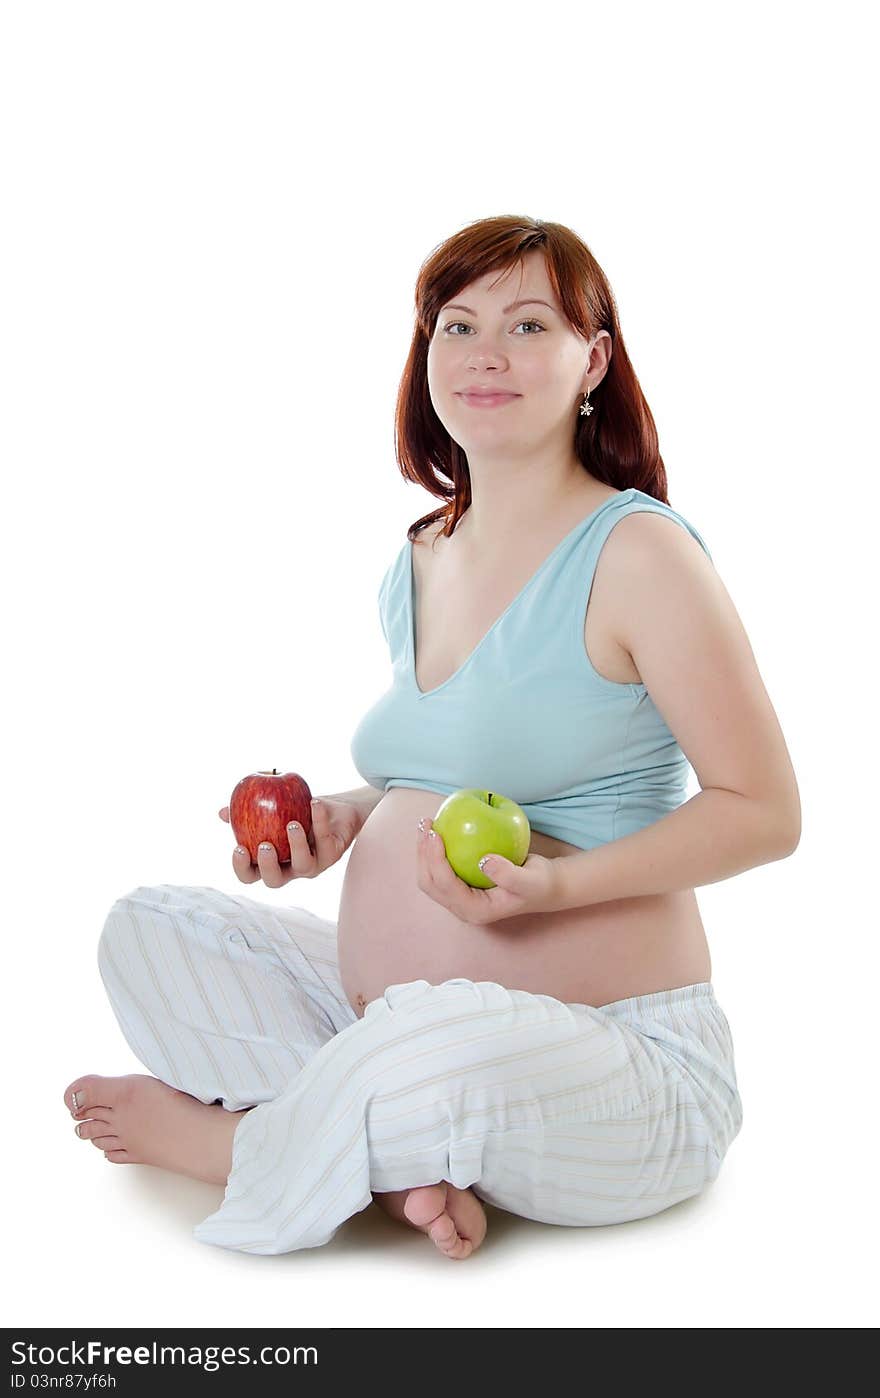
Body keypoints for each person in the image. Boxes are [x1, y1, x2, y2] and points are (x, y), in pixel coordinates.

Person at [64, 215, 801, 1260]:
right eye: (455, 327)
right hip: (406, 1020)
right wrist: (347, 821)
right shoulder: (421, 553)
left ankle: (245, 1148)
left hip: (621, 1062)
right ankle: (401, 1159)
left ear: (591, 361)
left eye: (527, 324)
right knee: (148, 928)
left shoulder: (638, 554)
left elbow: (764, 814)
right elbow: (444, 776)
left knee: (424, 1048)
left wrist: (554, 890)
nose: (484, 353)